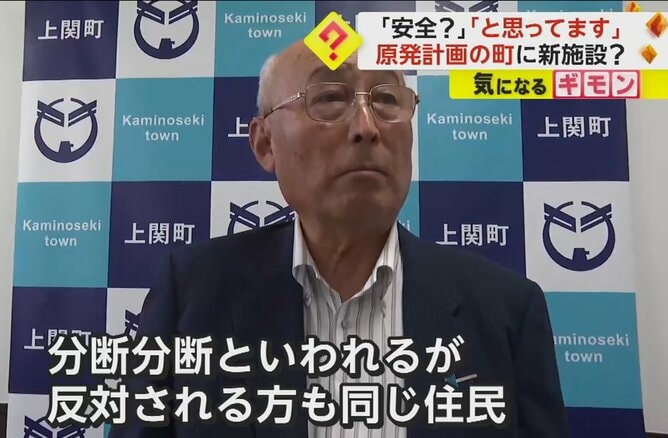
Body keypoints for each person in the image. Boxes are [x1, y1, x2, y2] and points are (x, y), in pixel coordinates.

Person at [110, 39, 569, 438]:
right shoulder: (193, 295)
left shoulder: (506, 310)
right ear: (266, 143)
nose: (367, 127)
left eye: (386, 99)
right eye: (329, 98)